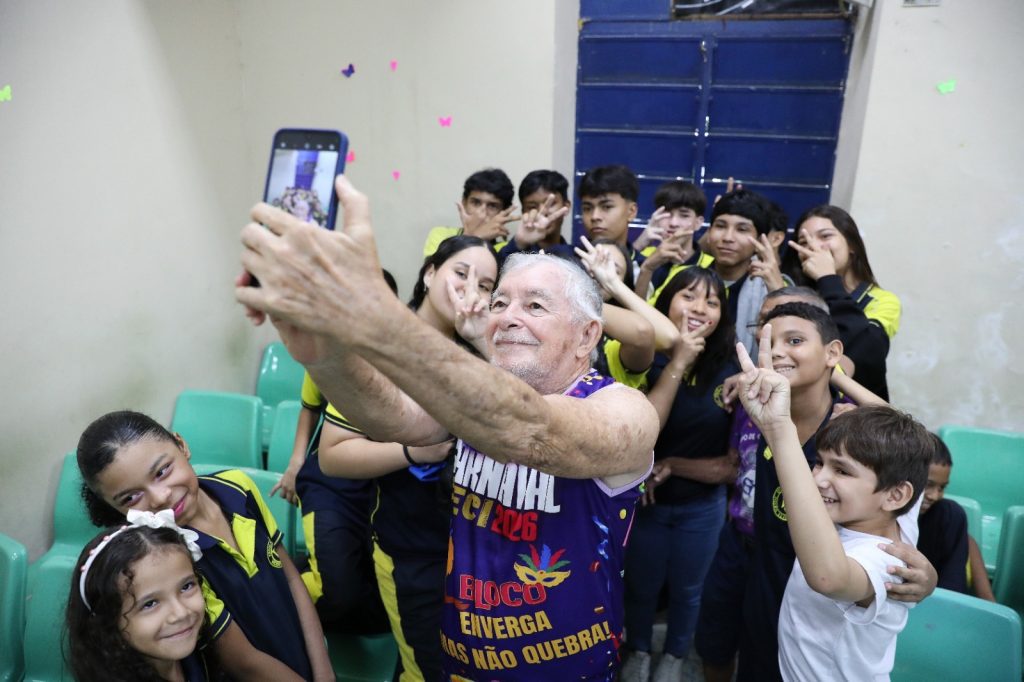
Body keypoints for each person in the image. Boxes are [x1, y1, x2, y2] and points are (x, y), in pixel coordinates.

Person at [236, 175, 660, 680]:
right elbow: (388, 415)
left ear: (587, 335)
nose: (507, 317)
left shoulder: (623, 408)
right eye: (499, 303)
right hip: (461, 659)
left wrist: (379, 319)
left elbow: (531, 430)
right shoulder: (473, 396)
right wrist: (321, 350)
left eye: (535, 306)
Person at [695, 302, 935, 682]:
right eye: (767, 341)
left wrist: (832, 375)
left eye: (793, 341)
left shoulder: (849, 436)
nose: (818, 478)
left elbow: (910, 448)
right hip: (763, 579)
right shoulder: (767, 411)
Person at [318, 235, 497, 682]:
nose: (471, 290)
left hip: (481, 551)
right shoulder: (381, 351)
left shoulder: (486, 351)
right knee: (429, 669)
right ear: (430, 273)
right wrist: (411, 451)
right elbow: (333, 456)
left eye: (486, 285)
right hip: (412, 552)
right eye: (460, 273)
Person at [76, 411, 333, 682]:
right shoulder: (165, 558)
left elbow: (291, 578)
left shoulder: (237, 486)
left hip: (301, 653)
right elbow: (244, 662)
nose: (160, 497)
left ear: (181, 445)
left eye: (162, 471)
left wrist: (323, 670)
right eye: (130, 498)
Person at [619, 267, 738, 682]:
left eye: (712, 302)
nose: (700, 309)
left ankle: (674, 656)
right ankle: (637, 650)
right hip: (644, 503)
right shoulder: (642, 359)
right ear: (665, 303)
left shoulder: (730, 370)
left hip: (702, 507)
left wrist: (674, 466)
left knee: (689, 591)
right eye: (688, 296)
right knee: (640, 587)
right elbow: (633, 433)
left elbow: (733, 462)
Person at [270, 274, 398, 635]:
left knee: (375, 604)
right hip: (330, 484)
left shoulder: (404, 362)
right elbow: (309, 408)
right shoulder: (329, 356)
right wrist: (295, 463)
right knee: (338, 593)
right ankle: (275, 599)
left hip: (380, 486)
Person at [67, 514, 219, 682]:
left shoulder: (199, 656)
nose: (181, 613)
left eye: (186, 586)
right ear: (107, 624)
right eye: (150, 604)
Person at [784, 205, 900, 400]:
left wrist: (828, 278)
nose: (814, 246)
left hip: (858, 410)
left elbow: (866, 347)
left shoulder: (883, 300)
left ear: (852, 244)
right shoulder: (801, 296)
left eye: (825, 236)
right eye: (804, 242)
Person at [575, 236, 679, 389]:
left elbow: (668, 337)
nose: (597, 269)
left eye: (614, 269)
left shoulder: (615, 343)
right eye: (592, 261)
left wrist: (611, 282)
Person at [917, 434, 995, 600]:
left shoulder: (948, 515)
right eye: (928, 485)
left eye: (942, 488)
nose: (935, 495)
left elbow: (953, 594)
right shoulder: (880, 517)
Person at [633, 180, 715, 299]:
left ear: (698, 223)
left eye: (684, 215)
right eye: (667, 214)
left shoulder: (711, 266)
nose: (673, 223)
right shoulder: (641, 256)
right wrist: (638, 246)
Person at [423, 168, 519, 256]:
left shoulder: (507, 249)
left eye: (492, 206)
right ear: (464, 203)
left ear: (504, 212)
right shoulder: (441, 234)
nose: (481, 214)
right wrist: (475, 237)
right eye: (476, 203)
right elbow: (436, 268)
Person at [497, 170, 573, 263]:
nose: (542, 212)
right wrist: (519, 243)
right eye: (532, 207)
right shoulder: (514, 252)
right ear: (523, 212)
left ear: (566, 206)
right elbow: (496, 269)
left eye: (551, 203)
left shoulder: (578, 256)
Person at [578, 164, 642, 271]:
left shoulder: (647, 269)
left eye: (607, 207)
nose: (595, 217)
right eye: (587, 208)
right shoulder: (566, 261)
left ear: (631, 212)